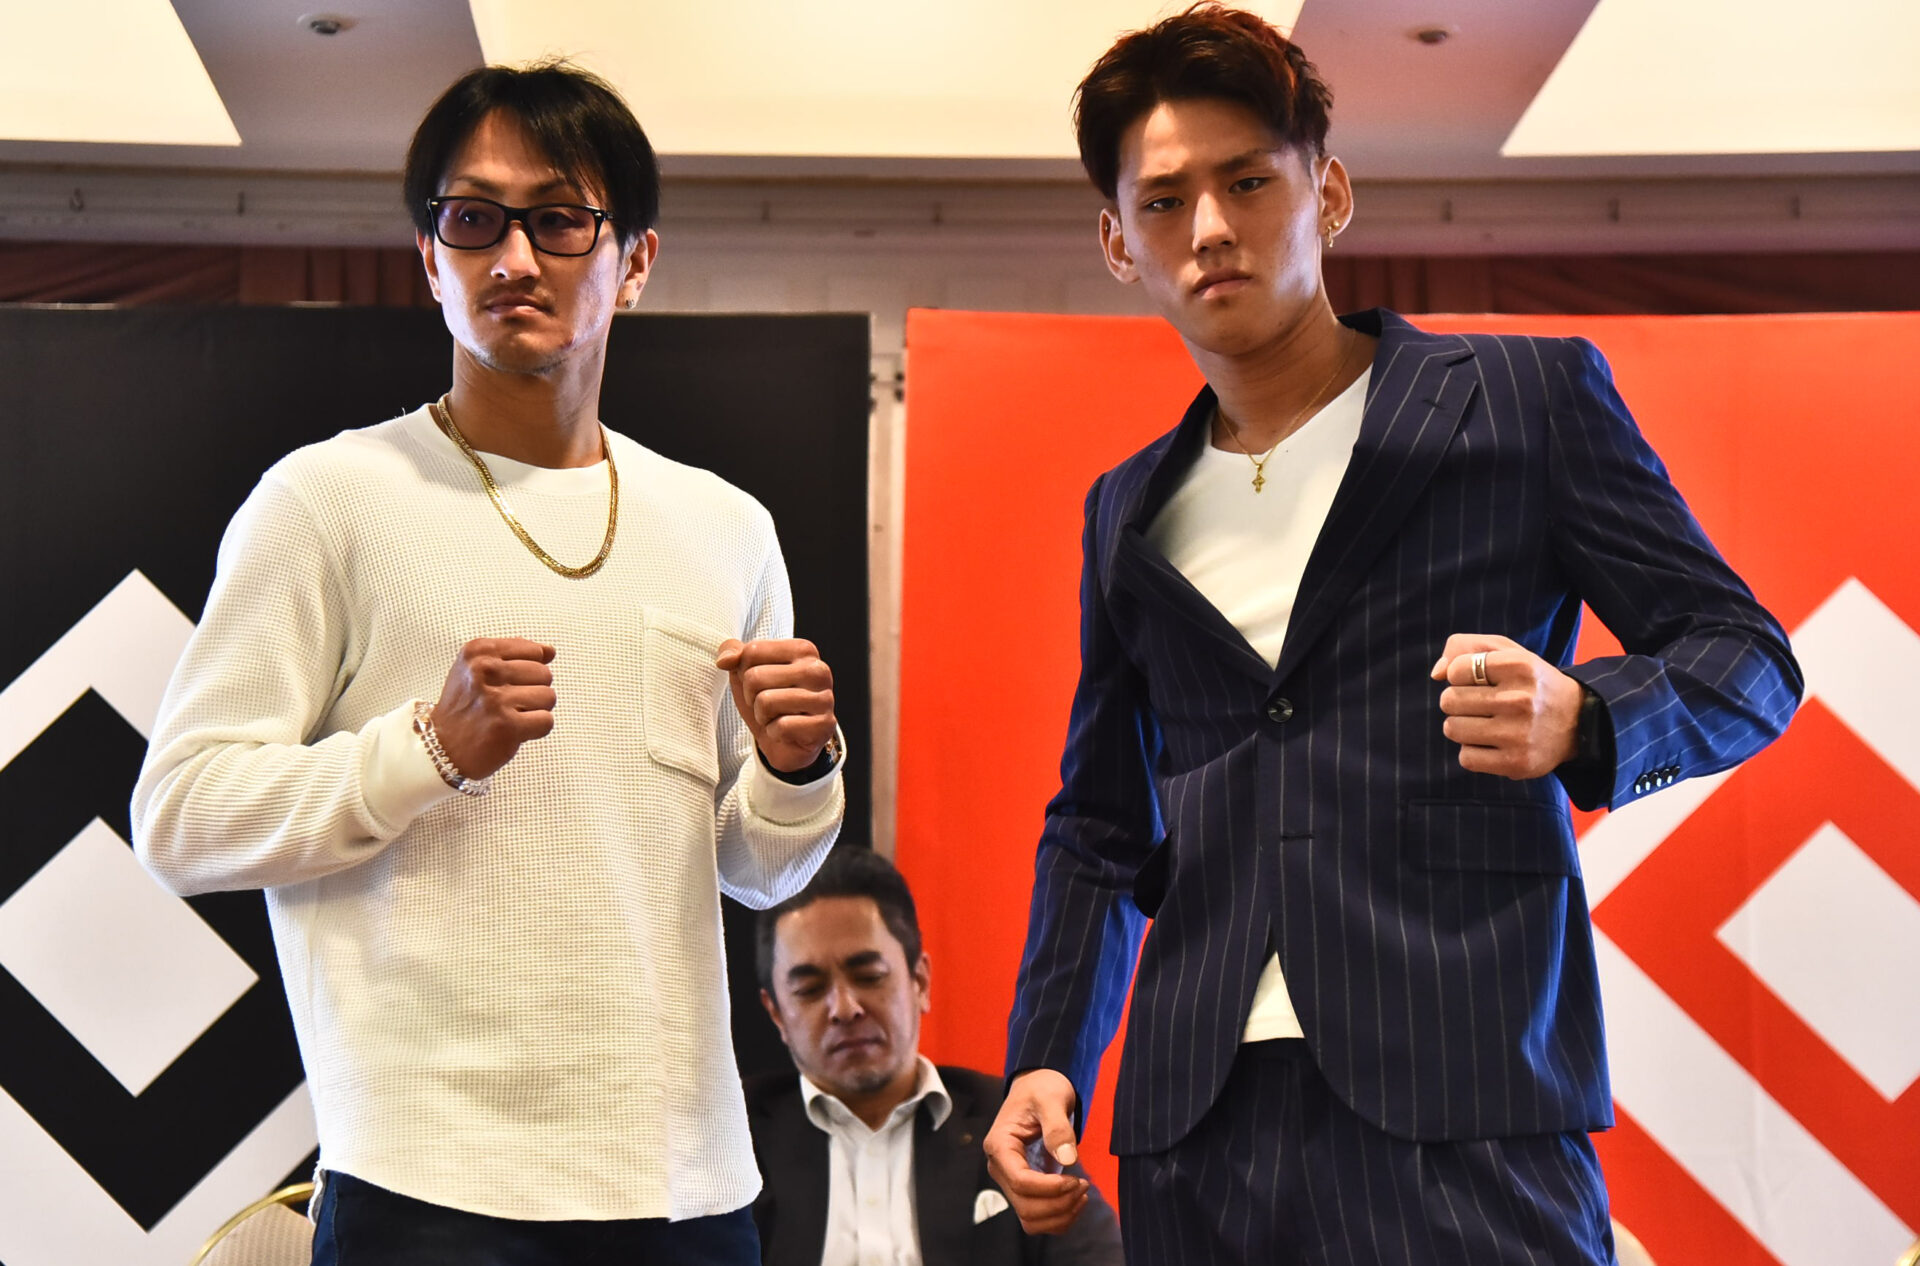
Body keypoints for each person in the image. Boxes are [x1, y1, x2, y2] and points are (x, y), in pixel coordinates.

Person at [981, 7, 1802, 1265]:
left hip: (1465, 1103)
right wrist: (1048, 1055)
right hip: (1196, 1129)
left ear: (1330, 192)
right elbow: (1100, 826)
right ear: (1117, 243)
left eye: (1249, 182)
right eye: (1164, 202)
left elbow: (1747, 657)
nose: (1210, 228)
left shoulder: (1524, 404)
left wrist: (1587, 717)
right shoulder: (1124, 510)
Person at [131, 62, 846, 1265]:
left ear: (635, 260)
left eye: (560, 219)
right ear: (430, 259)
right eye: (473, 219)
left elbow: (756, 873)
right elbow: (180, 818)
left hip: (687, 1188)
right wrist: (425, 751)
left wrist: (797, 771)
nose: (514, 258)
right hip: (427, 1187)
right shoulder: (328, 500)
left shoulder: (726, 527)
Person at [749, 847, 1122, 1266]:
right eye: (809, 990)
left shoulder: (1007, 1125)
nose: (844, 1008)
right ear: (776, 1013)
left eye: (869, 976)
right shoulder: (736, 1142)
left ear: (920, 981)